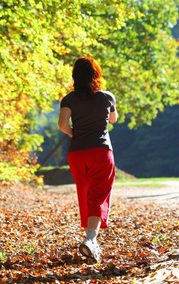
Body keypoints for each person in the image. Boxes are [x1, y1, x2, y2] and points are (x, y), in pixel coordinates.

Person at [58, 57, 118, 262]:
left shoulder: (68, 99)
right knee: (99, 194)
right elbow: (113, 119)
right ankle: (91, 240)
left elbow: (62, 125)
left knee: (85, 192)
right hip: (100, 151)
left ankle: (90, 237)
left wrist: (74, 132)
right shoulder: (107, 97)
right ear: (97, 74)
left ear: (75, 76)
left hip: (76, 153)